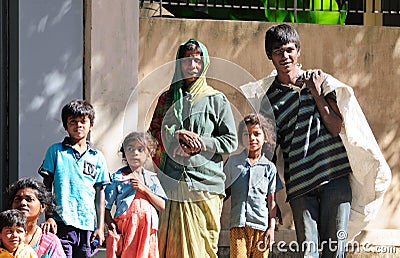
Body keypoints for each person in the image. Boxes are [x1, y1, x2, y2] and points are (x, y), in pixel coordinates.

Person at [256, 24, 391, 258]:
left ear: (298, 51)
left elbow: (336, 126)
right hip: (300, 186)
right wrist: (270, 201)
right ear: (270, 56)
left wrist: (316, 92)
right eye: (277, 51)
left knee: (334, 250)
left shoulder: (321, 81)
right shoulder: (268, 100)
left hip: (335, 181)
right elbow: (268, 151)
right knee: (308, 251)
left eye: (289, 49)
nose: (284, 56)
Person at [149, 38, 238, 257]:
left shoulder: (217, 100)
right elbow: (152, 136)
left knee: (203, 248)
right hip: (172, 184)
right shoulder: (167, 99)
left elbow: (230, 141)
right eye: (187, 60)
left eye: (197, 60)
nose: (192, 66)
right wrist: (175, 136)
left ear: (205, 63)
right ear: (179, 64)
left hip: (205, 185)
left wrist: (200, 143)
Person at [38, 99, 110, 258]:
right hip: (61, 222)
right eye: (73, 121)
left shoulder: (97, 157)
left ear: (91, 124)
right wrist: (48, 217)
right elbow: (46, 187)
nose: (79, 125)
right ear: (65, 126)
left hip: (87, 225)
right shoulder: (56, 151)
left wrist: (100, 227)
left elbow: (100, 194)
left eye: (83, 121)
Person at [224, 114, 283, 258]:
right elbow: (222, 192)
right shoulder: (233, 163)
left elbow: (272, 201)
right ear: (241, 137)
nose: (252, 138)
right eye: (247, 134)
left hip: (261, 228)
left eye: (256, 134)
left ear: (265, 137)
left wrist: (271, 227)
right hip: (238, 226)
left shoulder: (269, 168)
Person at [104, 132, 167, 258]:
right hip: (127, 228)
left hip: (148, 227)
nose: (135, 153)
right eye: (130, 149)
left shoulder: (151, 178)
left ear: (148, 154)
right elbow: (105, 206)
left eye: (140, 149)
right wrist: (110, 224)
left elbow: (162, 205)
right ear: (124, 154)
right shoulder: (118, 178)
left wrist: (144, 190)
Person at [8, 178, 65, 258]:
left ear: (42, 206)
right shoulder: (2, 236)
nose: (23, 203)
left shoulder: (50, 242)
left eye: (29, 199)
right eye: (18, 199)